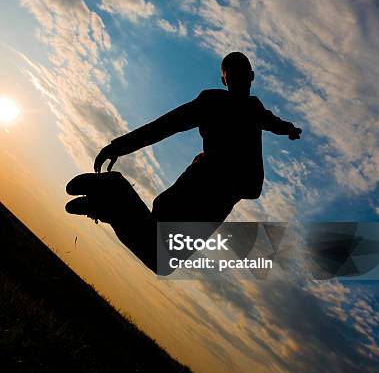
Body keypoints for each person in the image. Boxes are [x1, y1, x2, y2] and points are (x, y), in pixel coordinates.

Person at [66, 52, 302, 273]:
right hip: (206, 186)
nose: (241, 81)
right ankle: (112, 191)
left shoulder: (254, 109)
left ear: (247, 77)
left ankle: (107, 203)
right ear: (226, 81)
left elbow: (275, 122)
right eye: (235, 76)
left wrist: (289, 129)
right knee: (160, 254)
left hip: (223, 196)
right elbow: (168, 124)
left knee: (160, 256)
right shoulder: (215, 102)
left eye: (242, 75)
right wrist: (120, 145)